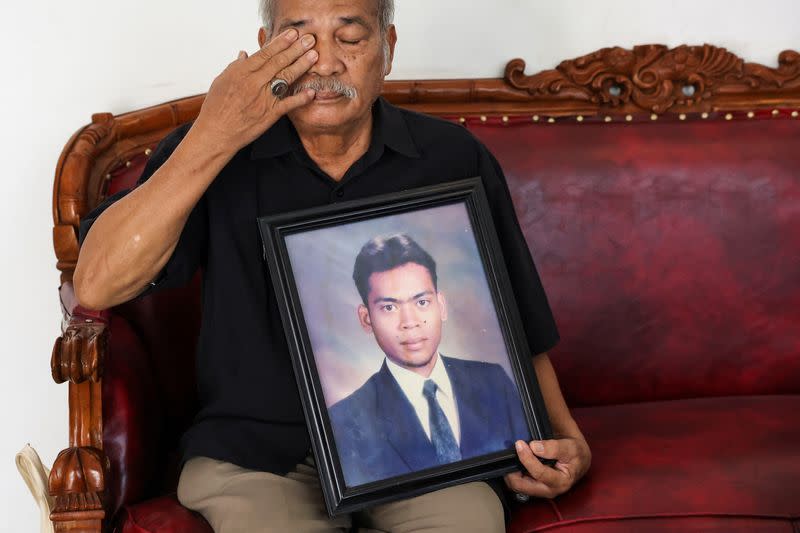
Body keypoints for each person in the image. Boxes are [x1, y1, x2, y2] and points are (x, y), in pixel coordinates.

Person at [74, 0, 592, 531]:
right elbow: (97, 282)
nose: (323, 63)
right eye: (297, 40)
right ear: (263, 49)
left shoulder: (453, 157)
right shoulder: (207, 152)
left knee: (471, 520)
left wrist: (567, 440)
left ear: (388, 50)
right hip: (257, 455)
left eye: (349, 38)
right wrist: (215, 132)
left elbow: (514, 319)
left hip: (419, 450)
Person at [329, 233, 531, 487]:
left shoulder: (494, 381)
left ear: (441, 305)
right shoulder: (345, 420)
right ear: (366, 318)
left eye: (422, 302)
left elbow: (528, 469)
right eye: (389, 307)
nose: (410, 322)